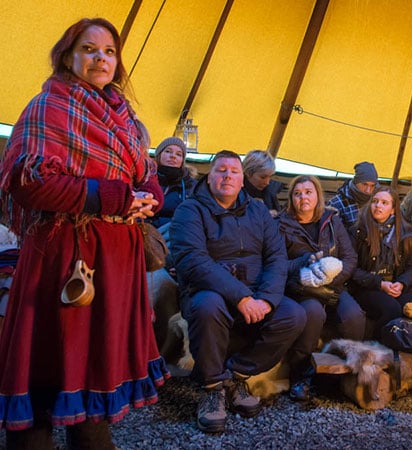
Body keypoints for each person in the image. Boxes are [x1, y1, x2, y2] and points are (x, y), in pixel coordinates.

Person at [0, 18, 167, 448]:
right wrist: (112, 197)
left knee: (94, 366)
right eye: (89, 49)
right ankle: (32, 437)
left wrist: (148, 195)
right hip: (61, 257)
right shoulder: (47, 107)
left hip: (116, 260)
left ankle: (91, 434)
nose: (100, 58)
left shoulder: (126, 117)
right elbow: (27, 180)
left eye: (109, 51)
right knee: (48, 363)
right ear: (68, 56)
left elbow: (143, 173)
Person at [170, 150, 306, 433]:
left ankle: (235, 375)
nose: (227, 177)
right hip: (208, 290)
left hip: (257, 291)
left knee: (293, 314)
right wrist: (241, 297)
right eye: (221, 171)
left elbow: (277, 258)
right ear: (210, 177)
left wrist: (267, 300)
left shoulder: (258, 211)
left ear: (242, 179)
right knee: (207, 305)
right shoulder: (190, 210)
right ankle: (212, 388)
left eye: (234, 172)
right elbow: (192, 260)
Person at [278, 175, 365, 401]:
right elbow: (277, 264)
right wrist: (305, 262)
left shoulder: (332, 221)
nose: (303, 197)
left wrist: (331, 279)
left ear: (318, 195)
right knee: (313, 314)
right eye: (297, 194)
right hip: (302, 287)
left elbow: (349, 258)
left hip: (334, 284)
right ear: (291, 199)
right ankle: (301, 376)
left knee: (353, 315)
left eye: (308, 192)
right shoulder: (282, 224)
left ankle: (346, 373)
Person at [350, 187, 412, 338]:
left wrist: (401, 284)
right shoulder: (358, 231)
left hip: (395, 285)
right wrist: (380, 284)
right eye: (375, 201)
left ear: (393, 209)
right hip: (367, 287)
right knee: (391, 308)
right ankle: (377, 348)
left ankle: (408, 350)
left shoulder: (405, 233)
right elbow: (351, 269)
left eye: (384, 203)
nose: (378, 206)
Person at [148, 136, 197, 231]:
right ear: (159, 155)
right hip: (146, 233)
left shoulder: (192, 186)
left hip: (177, 234)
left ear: (182, 160)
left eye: (179, 154)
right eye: (168, 151)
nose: (173, 156)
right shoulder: (144, 179)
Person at [327, 161, 379, 229]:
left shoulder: (377, 202)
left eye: (372, 186)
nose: (368, 190)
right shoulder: (336, 203)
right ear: (356, 182)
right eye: (364, 184)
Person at [243, 149, 283, 217]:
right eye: (263, 177)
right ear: (248, 173)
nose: (267, 182)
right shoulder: (234, 193)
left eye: (270, 177)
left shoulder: (272, 192)